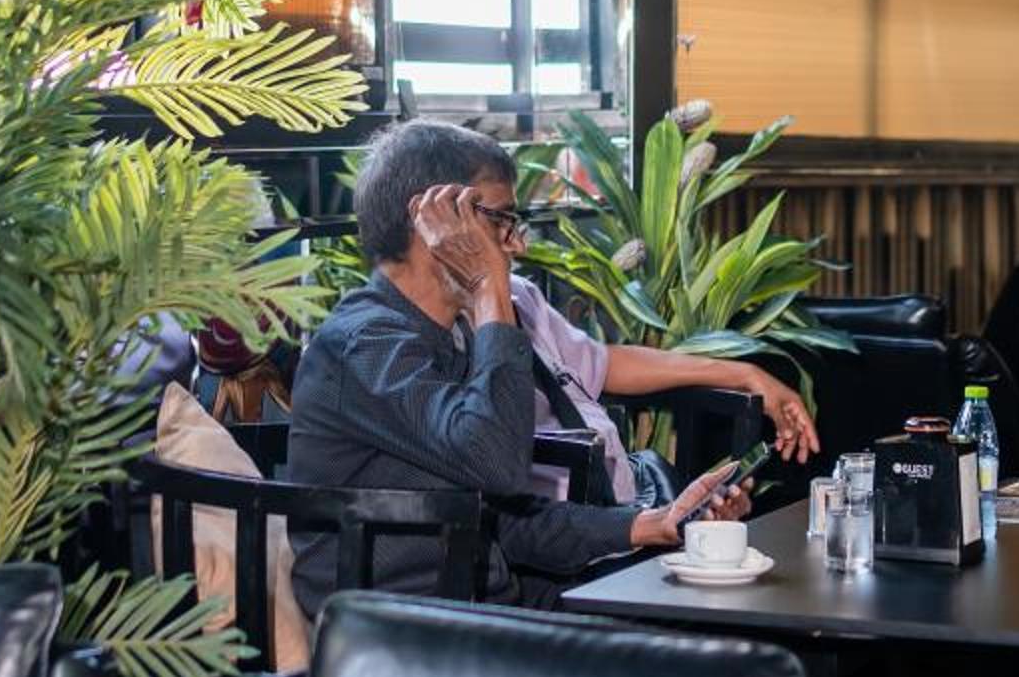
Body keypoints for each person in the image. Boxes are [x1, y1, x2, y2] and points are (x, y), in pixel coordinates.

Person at [288, 121, 813, 612]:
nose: (516, 244)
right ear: (434, 220)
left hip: (480, 602)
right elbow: (499, 466)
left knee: (726, 616)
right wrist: (489, 288)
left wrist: (655, 523)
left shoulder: (442, 336)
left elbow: (503, 518)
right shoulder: (366, 344)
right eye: (501, 221)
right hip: (403, 631)